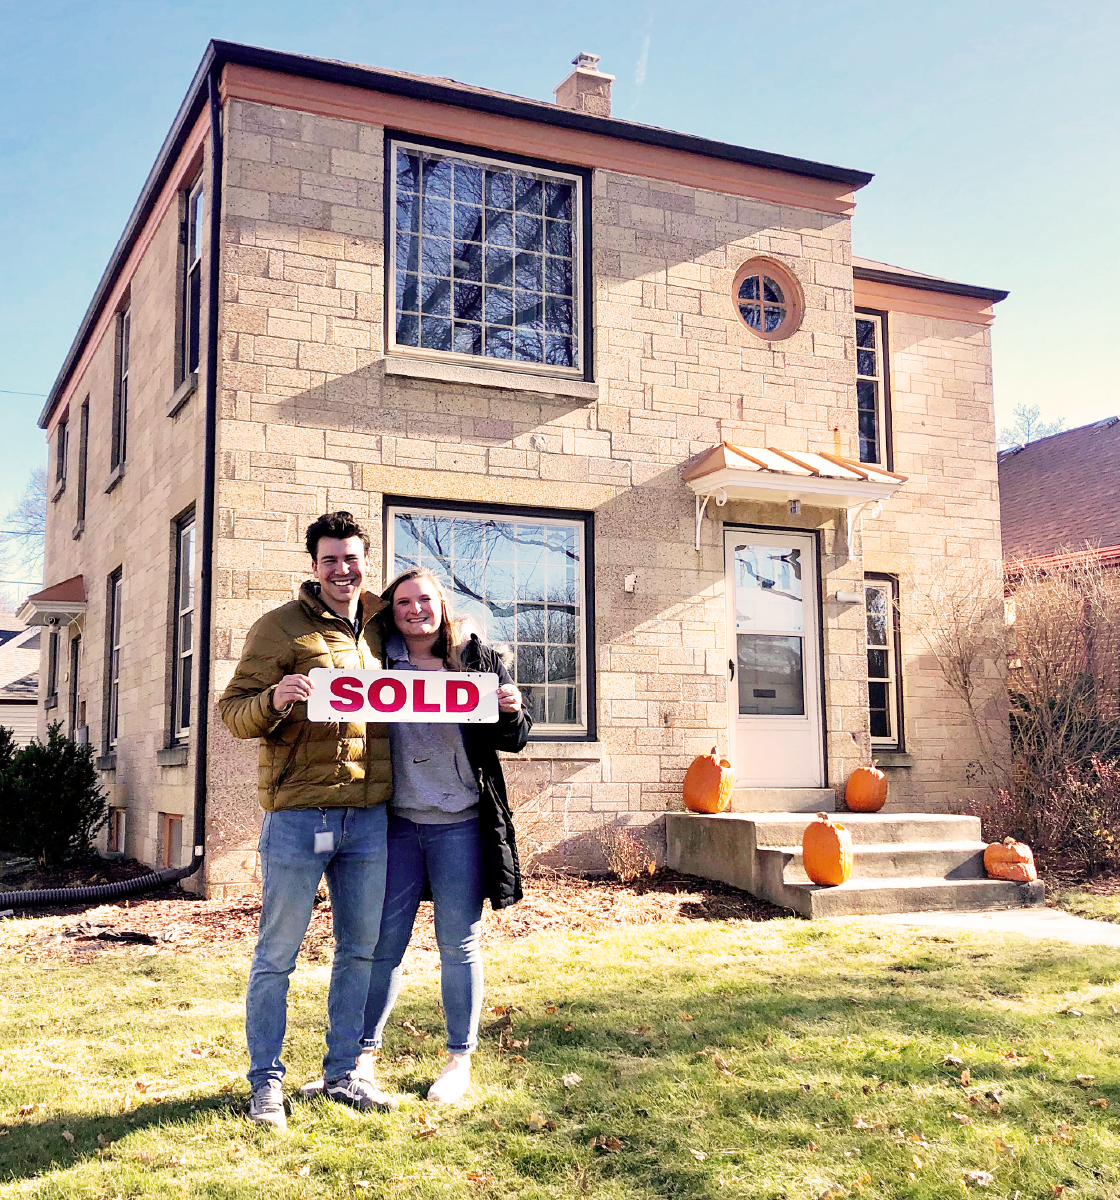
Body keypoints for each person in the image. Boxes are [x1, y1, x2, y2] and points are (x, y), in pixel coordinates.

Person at [304, 566, 530, 1104]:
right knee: (383, 945)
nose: (414, 610)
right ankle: (360, 1058)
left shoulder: (476, 657)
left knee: (459, 942)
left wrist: (512, 710)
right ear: (392, 610)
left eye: (424, 600)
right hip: (397, 823)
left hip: (461, 824)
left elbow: (515, 738)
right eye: (403, 602)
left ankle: (459, 1061)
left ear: (441, 603)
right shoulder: (377, 658)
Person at [219, 512, 396, 1130]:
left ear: (365, 560)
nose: (343, 570)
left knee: (360, 952)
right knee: (277, 955)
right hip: (298, 816)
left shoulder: (382, 626)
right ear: (313, 566)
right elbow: (232, 713)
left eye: (352, 558)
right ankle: (267, 1083)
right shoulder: (279, 629)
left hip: (368, 818)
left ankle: (343, 1073)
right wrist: (276, 698)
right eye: (330, 560)